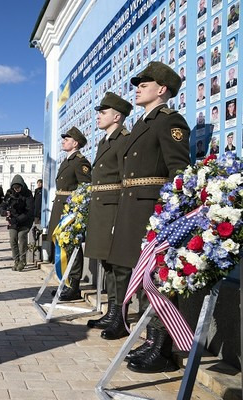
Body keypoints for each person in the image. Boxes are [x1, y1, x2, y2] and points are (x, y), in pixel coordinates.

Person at [107, 61, 190, 373]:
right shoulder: (143, 123)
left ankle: (162, 348)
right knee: (141, 277)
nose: (138, 87)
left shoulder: (169, 121)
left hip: (152, 210)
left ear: (162, 89)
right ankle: (150, 341)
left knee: (155, 278)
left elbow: (179, 171)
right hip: (133, 207)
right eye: (139, 83)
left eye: (145, 83)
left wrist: (168, 215)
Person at [84, 92, 133, 339]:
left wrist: (121, 217)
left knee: (120, 267)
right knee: (108, 263)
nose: (98, 117)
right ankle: (112, 311)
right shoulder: (105, 141)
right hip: (102, 209)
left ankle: (121, 317)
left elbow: (126, 180)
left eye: (103, 113)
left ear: (117, 116)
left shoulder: (124, 139)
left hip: (115, 208)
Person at [48, 126, 92, 301]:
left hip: (70, 210)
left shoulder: (80, 162)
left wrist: (76, 211)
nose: (63, 141)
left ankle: (74, 285)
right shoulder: (67, 161)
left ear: (75, 143)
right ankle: (65, 283)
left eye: (67, 139)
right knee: (63, 247)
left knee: (71, 246)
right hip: (61, 206)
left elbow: (85, 187)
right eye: (64, 139)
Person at [3, 175, 34, 271]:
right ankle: (16, 260)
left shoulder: (27, 194)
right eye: (15, 188)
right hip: (13, 221)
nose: (16, 190)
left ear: (22, 186)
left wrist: (17, 219)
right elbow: (3, 205)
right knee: (13, 239)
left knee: (21, 238)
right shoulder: (9, 193)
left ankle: (22, 261)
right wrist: (4, 212)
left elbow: (29, 211)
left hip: (25, 221)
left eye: (18, 188)